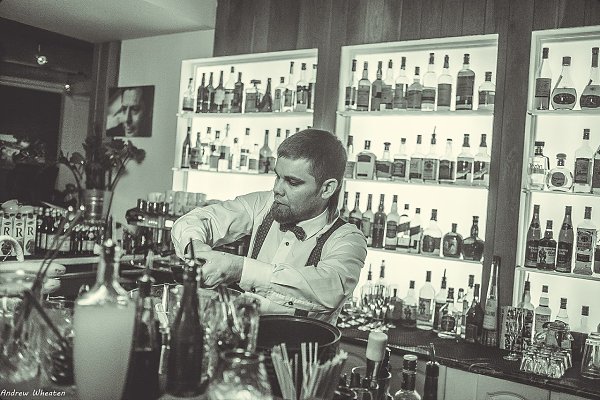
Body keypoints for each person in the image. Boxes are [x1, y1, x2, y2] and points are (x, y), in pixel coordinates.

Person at [171, 129, 367, 324]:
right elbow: (196, 220)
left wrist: (240, 269)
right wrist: (196, 248)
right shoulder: (263, 205)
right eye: (277, 177)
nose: (277, 189)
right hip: (245, 337)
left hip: (303, 344)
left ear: (327, 188)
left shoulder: (348, 239)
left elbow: (330, 289)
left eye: (292, 182)